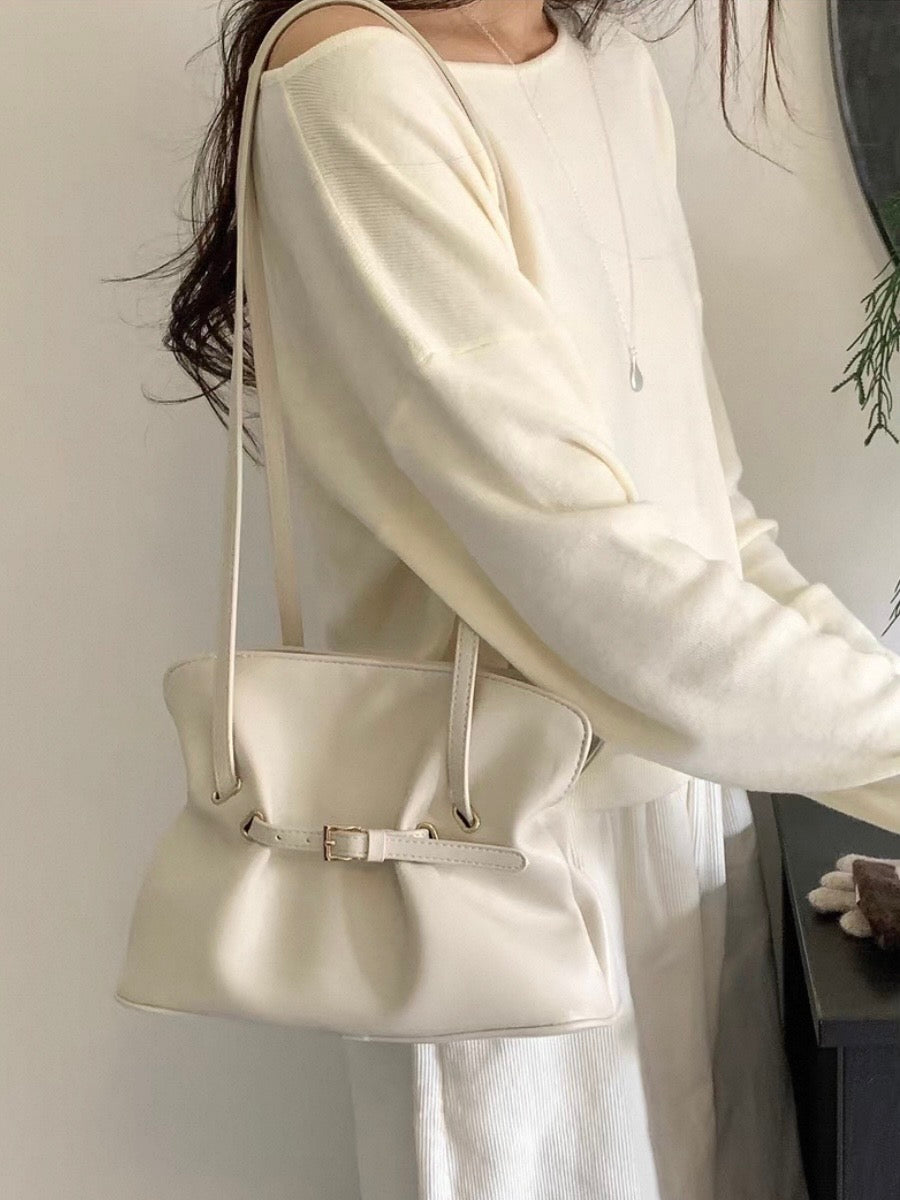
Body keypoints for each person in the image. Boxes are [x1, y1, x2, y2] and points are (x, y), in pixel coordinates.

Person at [129, 1, 900, 1196]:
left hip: (698, 843)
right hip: (493, 861)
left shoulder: (612, 73)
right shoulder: (354, 82)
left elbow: (714, 526)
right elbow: (584, 573)